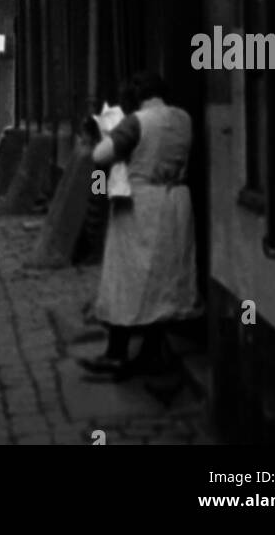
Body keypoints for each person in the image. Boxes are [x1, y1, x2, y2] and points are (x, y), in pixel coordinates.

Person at [83, 70, 200, 380]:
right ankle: (152, 349)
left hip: (140, 204)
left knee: (125, 278)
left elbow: (101, 155)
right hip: (174, 201)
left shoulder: (137, 122)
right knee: (163, 278)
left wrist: (106, 132)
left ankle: (116, 354)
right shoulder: (183, 118)